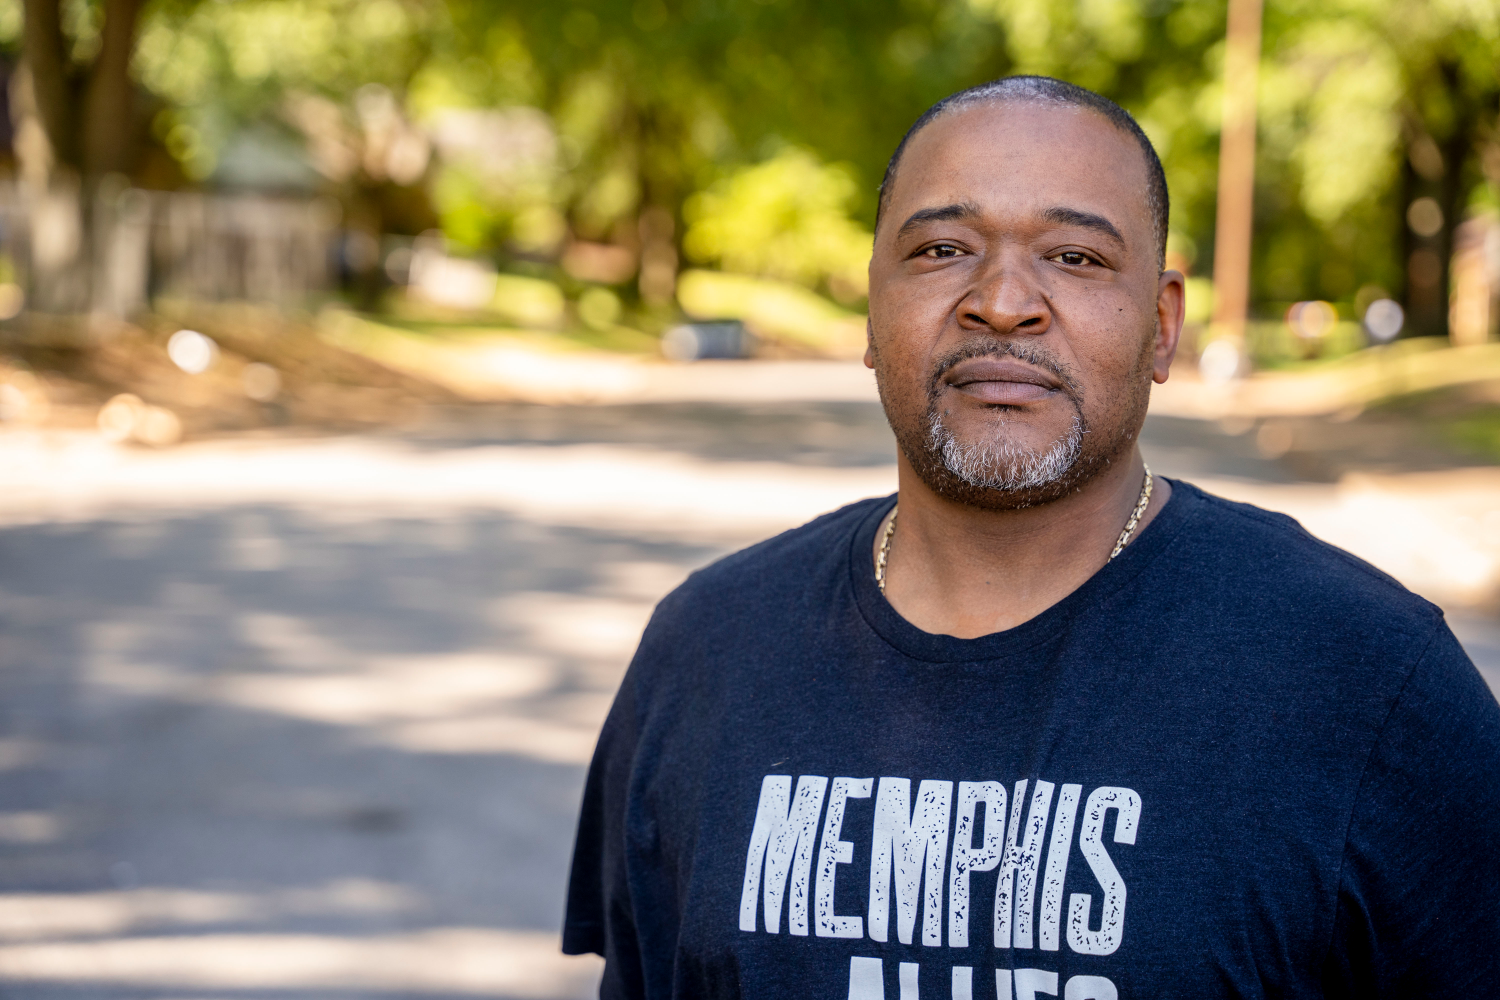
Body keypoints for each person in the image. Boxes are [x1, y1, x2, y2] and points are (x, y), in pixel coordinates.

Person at [561, 76, 1500, 999]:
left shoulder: (1368, 679)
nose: (1003, 302)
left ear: (1164, 327)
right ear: (871, 314)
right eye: (941, 249)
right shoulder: (704, 649)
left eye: (1076, 258)